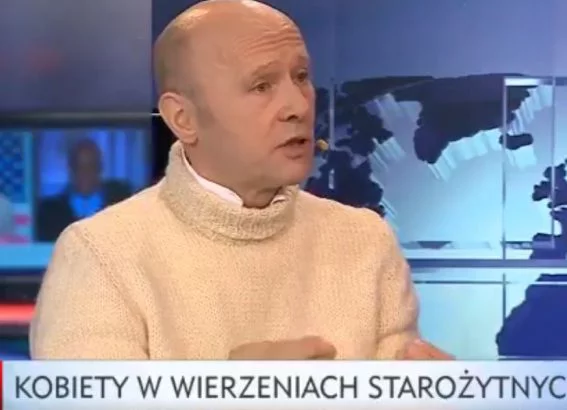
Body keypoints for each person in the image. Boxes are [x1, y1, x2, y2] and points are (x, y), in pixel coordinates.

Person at [30, 0, 451, 360]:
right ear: (183, 118)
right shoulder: (101, 256)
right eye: (261, 85)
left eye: (301, 76)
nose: (297, 106)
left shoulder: (365, 242)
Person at [35, 138, 132, 242]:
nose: (85, 173)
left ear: (100, 169)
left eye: (91, 166)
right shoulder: (49, 212)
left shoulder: (120, 206)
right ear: (70, 169)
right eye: (79, 167)